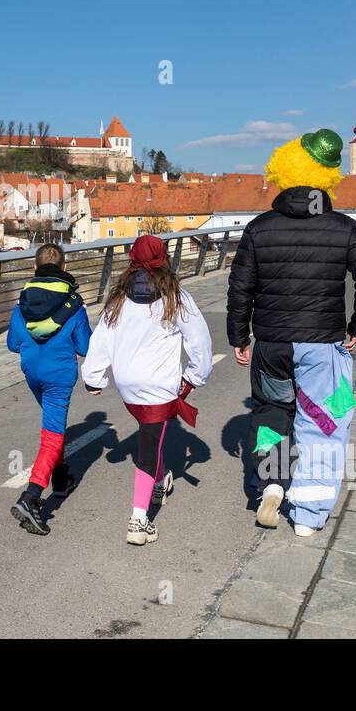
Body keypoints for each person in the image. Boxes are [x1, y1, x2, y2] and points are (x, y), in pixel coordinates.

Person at [228, 129, 356, 536]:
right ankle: (309, 517)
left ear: (285, 172)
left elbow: (240, 287)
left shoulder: (259, 228)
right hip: (324, 345)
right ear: (327, 178)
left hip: (271, 344)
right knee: (325, 422)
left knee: (271, 414)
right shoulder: (343, 228)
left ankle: (272, 483)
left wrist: (239, 338)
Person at [82, 234, 212, 546]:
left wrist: (93, 377)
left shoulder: (118, 296)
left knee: (149, 437)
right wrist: (195, 376)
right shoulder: (176, 296)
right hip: (159, 386)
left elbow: (102, 338)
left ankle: (160, 479)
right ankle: (139, 520)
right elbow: (200, 340)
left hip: (128, 385)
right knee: (148, 446)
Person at [6, 243, 92, 535]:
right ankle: (31, 497)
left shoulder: (22, 303)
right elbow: (85, 347)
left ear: (35, 267)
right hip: (59, 375)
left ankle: (62, 476)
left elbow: (13, 344)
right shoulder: (74, 305)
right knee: (52, 436)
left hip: (32, 372)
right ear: (64, 267)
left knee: (54, 425)